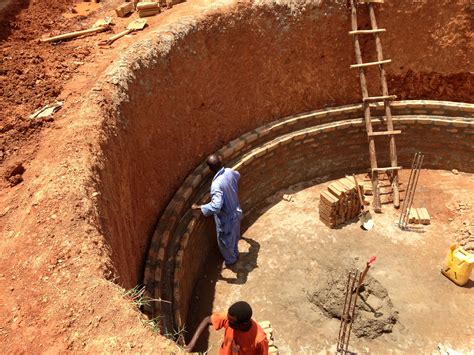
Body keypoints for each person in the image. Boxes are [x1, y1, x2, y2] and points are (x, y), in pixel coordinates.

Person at [192, 154, 243, 267]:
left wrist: (200, 207)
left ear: (210, 169)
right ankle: (235, 253)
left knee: (225, 242)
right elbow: (237, 176)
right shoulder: (230, 172)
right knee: (234, 235)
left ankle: (231, 260)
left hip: (227, 219)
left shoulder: (216, 185)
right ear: (221, 162)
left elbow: (216, 206)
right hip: (237, 211)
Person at [185, 301, 269, 354]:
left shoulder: (259, 339)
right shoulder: (230, 318)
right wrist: (191, 344)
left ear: (243, 324)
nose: (227, 322)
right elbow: (207, 320)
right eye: (228, 318)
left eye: (231, 322)